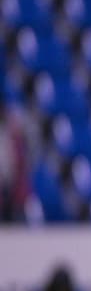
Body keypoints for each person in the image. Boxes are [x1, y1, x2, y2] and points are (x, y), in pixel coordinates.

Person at [0, 92, 36, 222]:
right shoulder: (4, 138)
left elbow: (28, 163)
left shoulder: (22, 141)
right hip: (5, 187)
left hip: (18, 191)